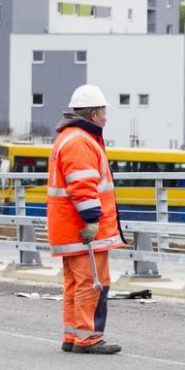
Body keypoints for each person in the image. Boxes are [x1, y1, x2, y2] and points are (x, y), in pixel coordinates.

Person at [50, 85, 125, 354]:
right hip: (84, 229)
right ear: (94, 114)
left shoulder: (70, 138)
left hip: (70, 228)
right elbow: (82, 184)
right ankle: (88, 338)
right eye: (104, 111)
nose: (106, 117)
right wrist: (92, 219)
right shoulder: (80, 141)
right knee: (93, 283)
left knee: (75, 283)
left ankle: (73, 336)